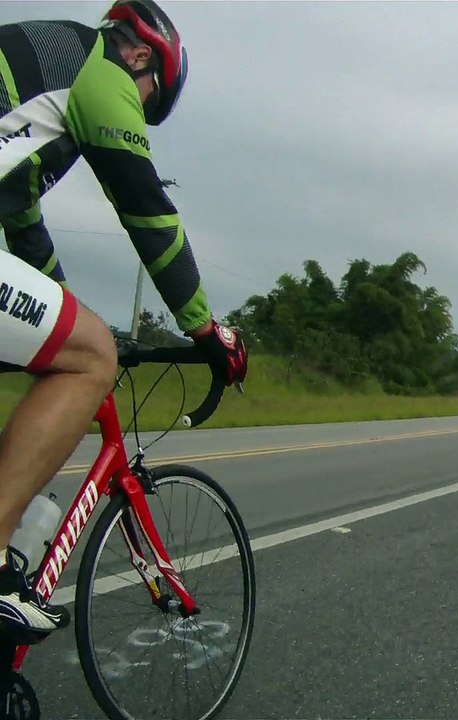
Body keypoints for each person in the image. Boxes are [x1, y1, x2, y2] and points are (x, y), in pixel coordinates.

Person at [0, 0, 247, 642]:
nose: (140, 112)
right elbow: (145, 204)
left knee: (64, 343)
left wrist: (63, 304)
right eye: (150, 99)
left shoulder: (41, 81)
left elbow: (21, 220)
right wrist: (204, 328)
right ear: (142, 55)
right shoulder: (100, 68)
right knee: (92, 357)